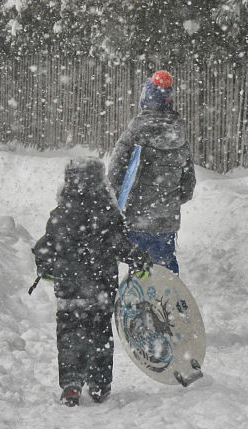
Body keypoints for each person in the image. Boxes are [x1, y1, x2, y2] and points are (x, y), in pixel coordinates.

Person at [33, 158, 151, 407]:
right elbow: (120, 246)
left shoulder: (61, 214)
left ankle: (71, 384)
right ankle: (98, 384)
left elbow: (45, 247)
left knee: (69, 335)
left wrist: (45, 268)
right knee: (99, 335)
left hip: (69, 290)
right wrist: (138, 259)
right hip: (100, 290)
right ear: (101, 182)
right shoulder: (107, 215)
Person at [107, 70, 196, 274]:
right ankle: (166, 303)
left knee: (139, 270)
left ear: (145, 100)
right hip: (166, 222)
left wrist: (114, 204)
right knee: (164, 271)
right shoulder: (180, 138)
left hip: (136, 218)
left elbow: (114, 174)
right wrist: (168, 201)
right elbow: (188, 186)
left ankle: (139, 302)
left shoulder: (133, 134)